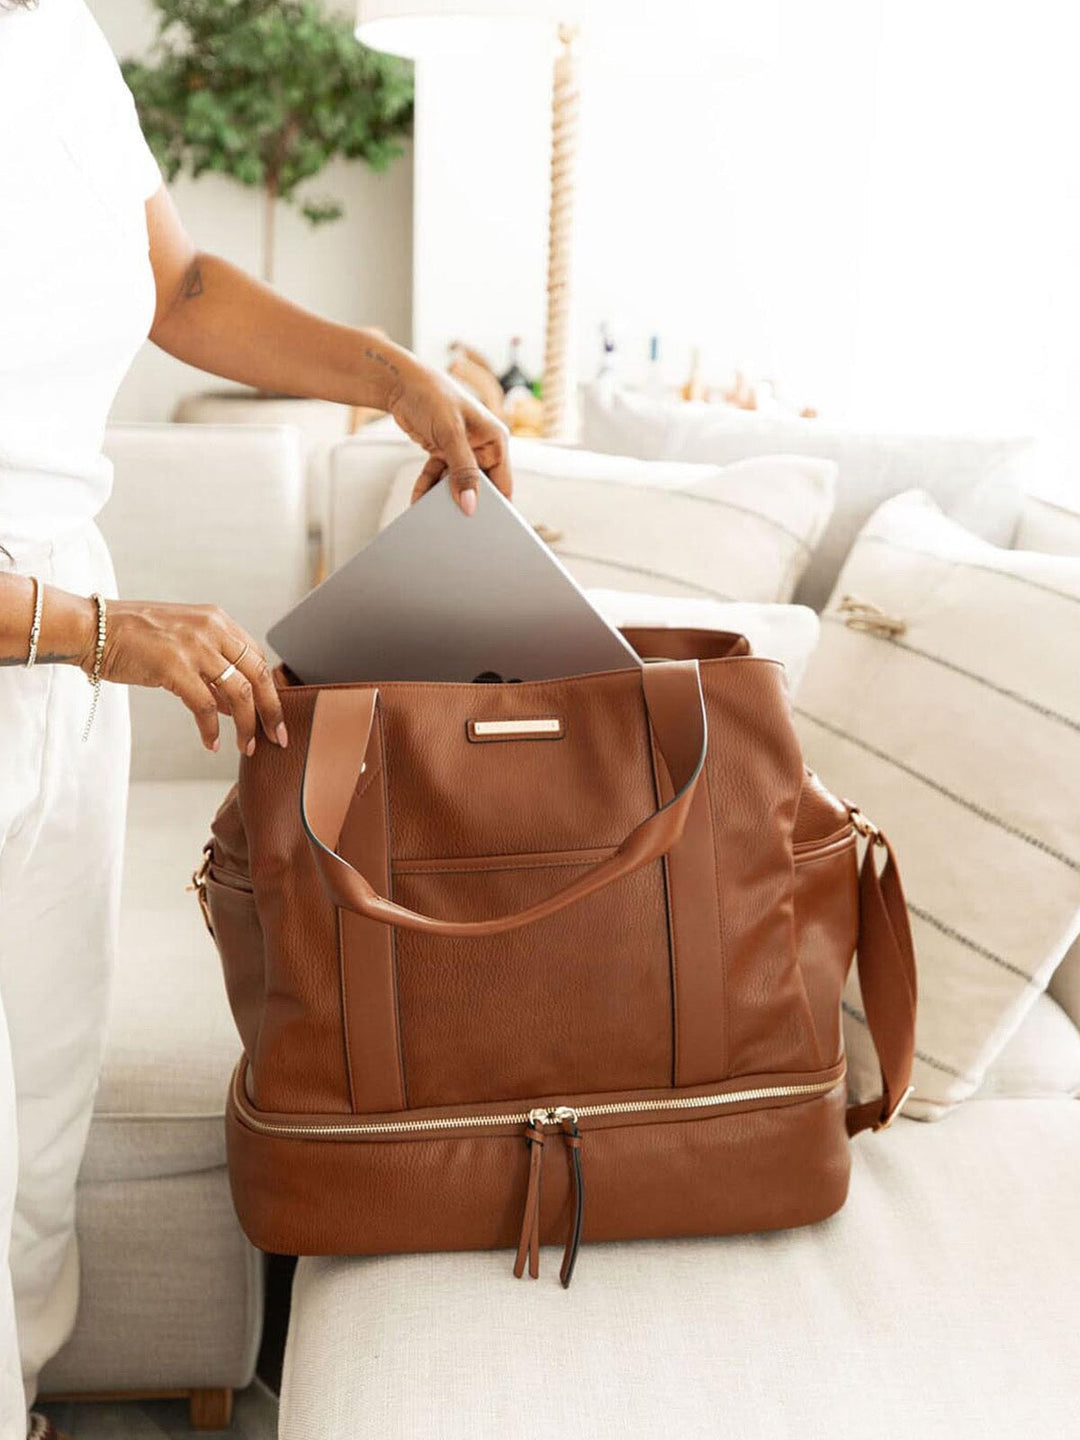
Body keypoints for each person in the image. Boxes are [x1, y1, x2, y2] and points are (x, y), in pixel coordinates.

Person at [0, 2, 513, 1435]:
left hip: (63, 640)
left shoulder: (56, 40)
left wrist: (392, 376)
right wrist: (98, 632)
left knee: (43, 1110)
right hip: (55, 629)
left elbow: (178, 284)